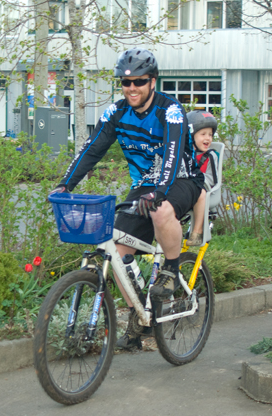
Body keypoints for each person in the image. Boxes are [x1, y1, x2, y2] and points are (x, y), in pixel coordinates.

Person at [49, 48, 204, 349]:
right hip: (144, 186)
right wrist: (65, 185)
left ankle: (171, 270)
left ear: (152, 82)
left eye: (139, 82)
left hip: (182, 179)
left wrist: (159, 193)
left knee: (160, 212)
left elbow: (171, 157)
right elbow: (92, 149)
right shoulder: (117, 112)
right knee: (116, 251)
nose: (131, 88)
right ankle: (139, 315)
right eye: (125, 82)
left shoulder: (170, 111)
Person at [184, 110, 219, 247]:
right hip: (186, 188)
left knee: (200, 193)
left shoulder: (211, 156)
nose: (208, 138)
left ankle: (197, 232)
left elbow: (213, 179)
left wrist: (197, 177)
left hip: (204, 189)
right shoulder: (185, 153)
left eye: (210, 135)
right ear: (191, 136)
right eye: (203, 134)